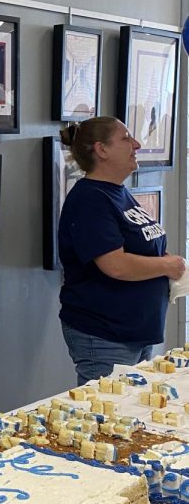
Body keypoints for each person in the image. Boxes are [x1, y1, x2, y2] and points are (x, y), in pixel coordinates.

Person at [58, 117, 184, 383]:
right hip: (105, 333)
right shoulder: (90, 199)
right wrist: (167, 266)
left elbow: (145, 247)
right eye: (126, 138)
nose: (136, 144)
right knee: (108, 418)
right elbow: (115, 265)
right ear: (101, 150)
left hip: (136, 330)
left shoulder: (118, 193)